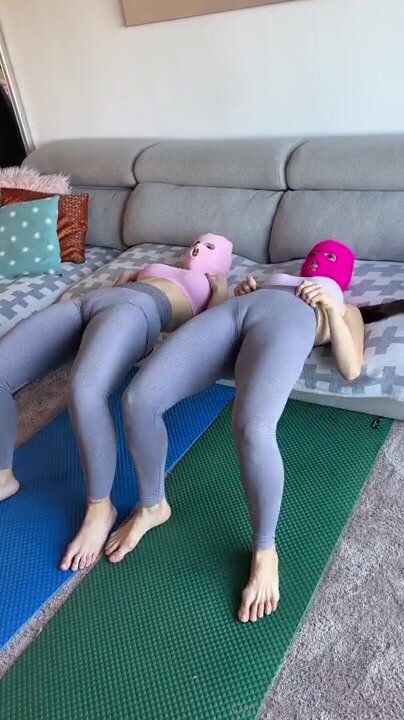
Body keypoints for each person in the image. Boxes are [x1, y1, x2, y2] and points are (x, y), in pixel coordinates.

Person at [104, 239, 366, 623]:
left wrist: (330, 309)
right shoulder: (277, 279)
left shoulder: (345, 306)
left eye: (331, 257)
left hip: (291, 321)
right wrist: (239, 292)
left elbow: (351, 367)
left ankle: (265, 550)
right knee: (137, 400)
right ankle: (152, 505)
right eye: (317, 253)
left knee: (252, 428)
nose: (319, 259)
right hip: (236, 312)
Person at [0, 234, 233, 572]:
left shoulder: (213, 286)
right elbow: (120, 280)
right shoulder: (158, 266)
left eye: (211, 247)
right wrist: (128, 277)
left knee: (84, 392)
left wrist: (221, 290)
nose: (198, 248)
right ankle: (3, 476)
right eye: (198, 243)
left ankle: (100, 509)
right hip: (90, 302)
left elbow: (212, 328)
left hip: (138, 311)